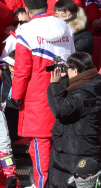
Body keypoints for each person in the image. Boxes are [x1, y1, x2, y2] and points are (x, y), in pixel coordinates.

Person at [12, 0, 76, 188]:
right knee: (62, 142)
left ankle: (42, 184)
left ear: (27, 10)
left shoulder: (25, 30)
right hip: (64, 89)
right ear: (47, 5)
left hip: (37, 94)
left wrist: (15, 97)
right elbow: (73, 58)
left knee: (40, 143)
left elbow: (22, 70)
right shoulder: (65, 26)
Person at [46, 52, 101, 188]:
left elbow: (60, 110)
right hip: (87, 148)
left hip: (73, 153)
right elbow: (74, 104)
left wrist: (54, 85)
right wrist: (66, 80)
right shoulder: (94, 84)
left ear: (75, 71)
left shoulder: (82, 94)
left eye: (68, 68)